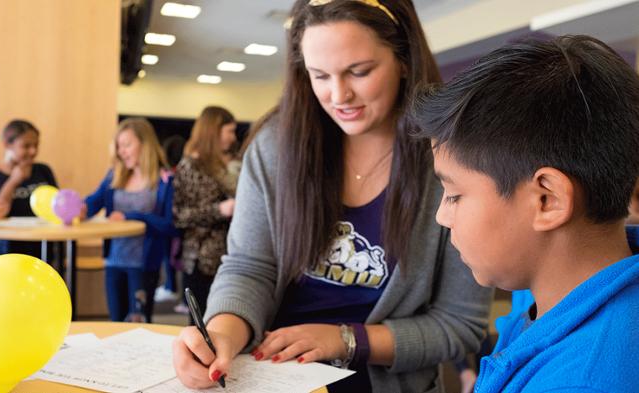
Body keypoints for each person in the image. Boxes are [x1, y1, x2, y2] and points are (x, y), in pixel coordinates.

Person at [172, 1, 492, 392]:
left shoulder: (452, 158)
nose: (339, 95)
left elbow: (459, 325)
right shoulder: (274, 146)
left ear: (404, 60)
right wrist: (221, 332)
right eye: (319, 75)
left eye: (359, 72)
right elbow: (249, 267)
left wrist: (345, 339)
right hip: (274, 376)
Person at [413, 35, 639, 392]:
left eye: (454, 194)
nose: (442, 216)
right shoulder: (547, 285)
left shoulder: (582, 379)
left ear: (547, 201)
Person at [83, 118, 178, 323]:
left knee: (138, 325)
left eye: (126, 145)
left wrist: (131, 216)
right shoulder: (114, 176)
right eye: (118, 146)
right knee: (115, 323)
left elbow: (170, 226)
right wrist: (77, 208)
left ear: (145, 144)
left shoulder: (164, 180)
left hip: (143, 266)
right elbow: (92, 203)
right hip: (113, 262)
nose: (121, 152)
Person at [172, 106, 239, 320]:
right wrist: (220, 210)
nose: (233, 137)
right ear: (213, 131)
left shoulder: (220, 166)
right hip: (201, 259)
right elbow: (180, 216)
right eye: (229, 131)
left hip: (225, 257)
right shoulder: (190, 166)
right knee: (200, 325)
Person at [0, 119, 59, 258]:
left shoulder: (43, 170)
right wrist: (13, 181)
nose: (33, 151)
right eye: (26, 146)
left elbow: (57, 207)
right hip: (3, 251)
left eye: (36, 145)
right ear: (7, 144)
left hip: (40, 247)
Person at [154, 134, 187, 303]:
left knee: (172, 258)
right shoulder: (173, 176)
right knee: (172, 258)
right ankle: (171, 287)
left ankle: (172, 288)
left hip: (172, 227)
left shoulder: (172, 178)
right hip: (173, 226)